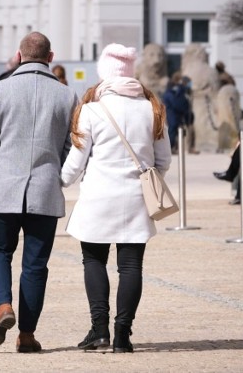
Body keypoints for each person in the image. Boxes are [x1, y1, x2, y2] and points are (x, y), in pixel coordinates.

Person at [0, 31, 78, 352]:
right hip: (45, 190)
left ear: (18, 56)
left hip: (4, 187)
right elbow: (74, 146)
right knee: (35, 265)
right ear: (51, 56)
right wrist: (56, 172)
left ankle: (3, 307)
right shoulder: (67, 96)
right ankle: (27, 335)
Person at [61, 43, 172, 353]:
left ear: (104, 73)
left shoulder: (92, 109)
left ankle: (99, 330)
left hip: (98, 195)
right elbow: (163, 160)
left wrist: (60, 182)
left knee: (93, 260)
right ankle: (123, 334)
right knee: (131, 266)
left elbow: (76, 160)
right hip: (137, 197)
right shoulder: (152, 107)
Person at [162, 71, 190, 153]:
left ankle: (174, 148)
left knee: (176, 132)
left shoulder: (176, 89)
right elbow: (175, 102)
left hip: (175, 114)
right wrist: (183, 108)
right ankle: (170, 148)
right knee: (172, 131)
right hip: (173, 114)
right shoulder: (174, 90)